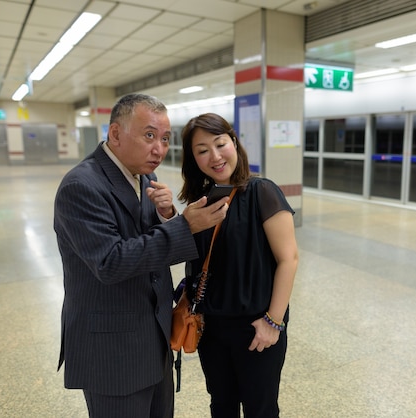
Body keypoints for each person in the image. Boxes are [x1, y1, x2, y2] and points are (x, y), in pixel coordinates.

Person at [53, 94, 229, 418]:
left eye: (164, 139)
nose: (159, 149)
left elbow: (147, 245)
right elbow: (110, 262)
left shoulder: (145, 178)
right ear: (116, 134)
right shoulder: (81, 186)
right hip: (113, 351)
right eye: (149, 136)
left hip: (154, 339)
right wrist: (184, 228)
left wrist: (166, 215)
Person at [178, 113, 299, 418]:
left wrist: (273, 322)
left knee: (261, 409)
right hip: (211, 329)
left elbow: (289, 259)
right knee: (221, 405)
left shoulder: (263, 192)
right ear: (193, 159)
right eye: (202, 150)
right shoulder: (200, 203)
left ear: (234, 143)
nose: (215, 156)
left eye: (220, 144)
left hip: (256, 328)